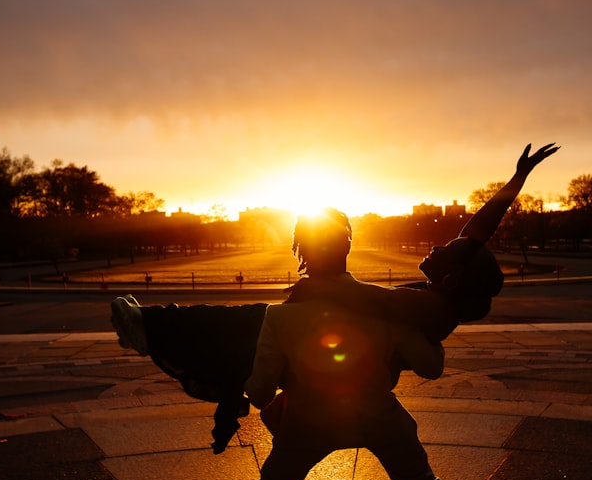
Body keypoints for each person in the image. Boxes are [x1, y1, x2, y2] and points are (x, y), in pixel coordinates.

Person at [110, 142, 559, 450]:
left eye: (444, 251)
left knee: (244, 323)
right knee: (244, 327)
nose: (437, 246)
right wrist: (517, 180)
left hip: (335, 354)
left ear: (455, 280)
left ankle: (154, 326)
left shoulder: (431, 306)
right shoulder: (442, 296)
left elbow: (371, 299)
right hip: (336, 341)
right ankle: (166, 333)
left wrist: (322, 283)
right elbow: (475, 233)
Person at [219, 209, 480, 480]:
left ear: (301, 252)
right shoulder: (387, 307)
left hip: (306, 422)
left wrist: (242, 383)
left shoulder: (279, 317)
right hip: (379, 416)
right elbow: (430, 367)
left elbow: (262, 393)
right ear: (348, 247)